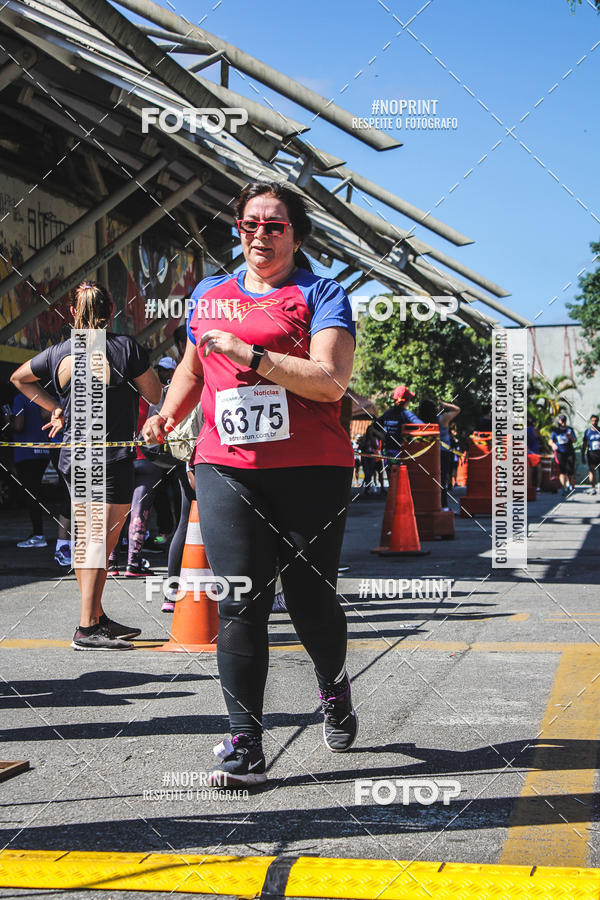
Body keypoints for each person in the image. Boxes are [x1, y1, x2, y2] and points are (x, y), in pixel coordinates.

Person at [143, 180, 357, 786]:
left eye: (275, 225)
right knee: (239, 601)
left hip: (311, 470)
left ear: (296, 233)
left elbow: (330, 382)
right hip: (226, 466)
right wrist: (166, 416)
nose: (260, 235)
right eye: (250, 225)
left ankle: (334, 688)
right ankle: (245, 744)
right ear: (237, 230)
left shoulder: (320, 294)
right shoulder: (210, 293)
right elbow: (191, 368)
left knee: (311, 600)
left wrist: (253, 356)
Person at [10, 281, 162, 649]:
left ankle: (95, 617)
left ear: (74, 314)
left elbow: (19, 378)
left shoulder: (60, 351)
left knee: (89, 539)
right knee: (98, 542)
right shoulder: (125, 348)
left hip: (75, 455)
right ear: (111, 313)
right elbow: (155, 394)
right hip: (110, 456)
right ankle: (87, 626)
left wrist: (55, 407)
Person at [10, 391, 52, 548]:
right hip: (43, 450)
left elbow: (19, 425)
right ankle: (39, 533)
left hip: (26, 452)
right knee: (36, 491)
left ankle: (38, 534)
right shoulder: (44, 398)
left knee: (31, 493)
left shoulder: (19, 399)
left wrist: (9, 421)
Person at [417, 397, 460, 510]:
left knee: (427, 479)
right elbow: (457, 410)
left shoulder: (419, 423)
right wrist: (444, 404)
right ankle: (443, 505)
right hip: (443, 453)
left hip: (426, 453)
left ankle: (427, 504)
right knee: (442, 479)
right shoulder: (442, 419)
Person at [374, 385, 423, 478]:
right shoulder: (406, 414)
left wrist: (383, 436)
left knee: (392, 479)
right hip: (403, 454)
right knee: (402, 480)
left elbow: (374, 426)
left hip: (388, 453)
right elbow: (421, 426)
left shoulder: (387, 413)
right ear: (407, 401)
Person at [549, 413, 576, 495]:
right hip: (560, 452)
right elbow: (550, 441)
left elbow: (575, 440)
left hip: (569, 451)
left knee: (570, 470)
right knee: (562, 470)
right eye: (562, 420)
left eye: (564, 420)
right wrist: (553, 445)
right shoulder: (556, 431)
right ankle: (564, 487)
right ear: (559, 421)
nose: (563, 422)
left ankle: (570, 484)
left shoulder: (570, 429)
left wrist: (570, 437)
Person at [581, 414, 600, 495]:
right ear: (590, 421)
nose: (594, 422)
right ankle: (593, 488)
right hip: (591, 453)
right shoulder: (587, 431)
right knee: (592, 470)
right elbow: (584, 444)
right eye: (592, 421)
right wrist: (582, 456)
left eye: (596, 421)